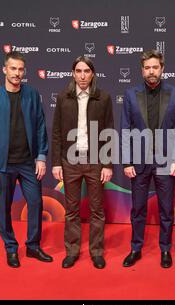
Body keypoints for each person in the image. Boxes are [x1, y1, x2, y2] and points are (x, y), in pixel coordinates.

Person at [0, 51, 52, 268]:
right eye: (13, 68)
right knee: (4, 207)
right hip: (3, 165)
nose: (17, 73)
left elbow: (40, 126)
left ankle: (32, 246)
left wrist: (41, 157)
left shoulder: (32, 94)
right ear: (4, 69)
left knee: (36, 203)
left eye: (20, 69)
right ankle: (11, 248)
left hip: (29, 163)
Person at [121, 49, 175, 268]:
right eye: (147, 68)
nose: (151, 71)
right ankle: (135, 248)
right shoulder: (131, 94)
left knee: (166, 210)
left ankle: (165, 250)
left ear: (162, 69)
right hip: (138, 162)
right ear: (142, 70)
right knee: (138, 208)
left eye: (155, 67)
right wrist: (127, 161)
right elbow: (125, 130)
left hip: (166, 161)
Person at [51, 56, 114, 269]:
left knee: (97, 210)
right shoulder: (63, 98)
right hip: (70, 161)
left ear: (92, 73)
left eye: (86, 71)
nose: (83, 75)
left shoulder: (103, 98)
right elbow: (57, 132)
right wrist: (56, 163)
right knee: (71, 209)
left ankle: (97, 252)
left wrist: (107, 164)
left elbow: (108, 132)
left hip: (96, 160)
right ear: (73, 73)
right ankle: (72, 251)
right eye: (78, 71)